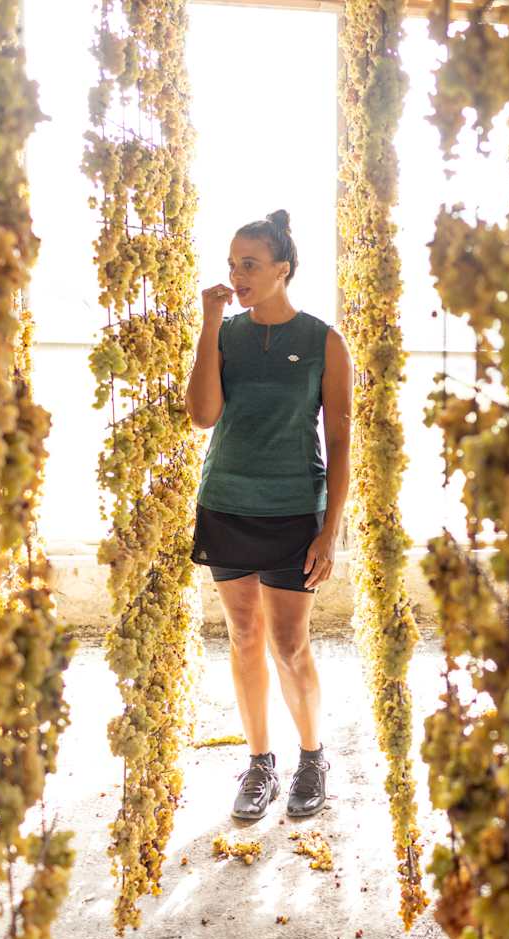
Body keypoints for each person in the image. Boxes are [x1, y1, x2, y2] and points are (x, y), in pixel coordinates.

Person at [183, 209, 351, 820]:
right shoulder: (224, 334)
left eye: (248, 264)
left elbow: (340, 440)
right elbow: (203, 415)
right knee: (244, 636)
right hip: (226, 502)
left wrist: (330, 531)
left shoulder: (322, 342)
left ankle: (312, 757)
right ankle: (259, 765)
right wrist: (208, 324)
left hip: (291, 511)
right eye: (232, 264)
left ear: (283, 269)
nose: (236, 274)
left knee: (289, 642)